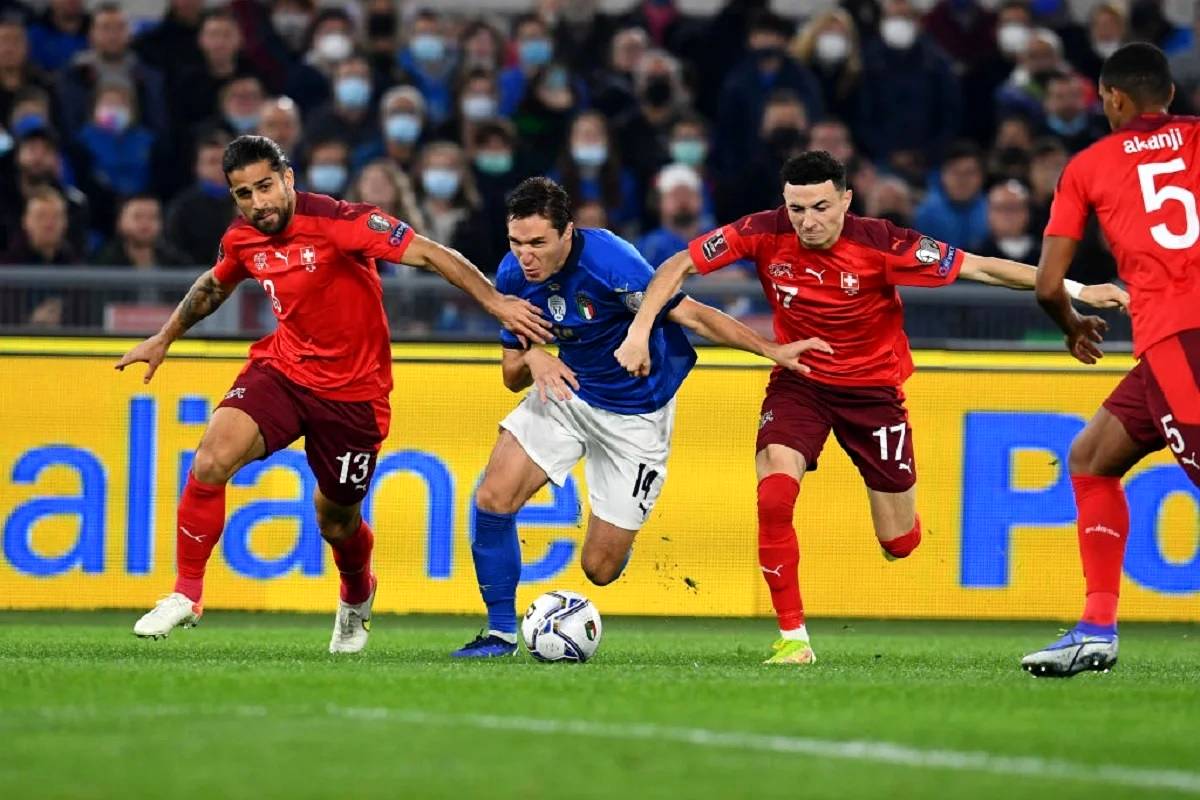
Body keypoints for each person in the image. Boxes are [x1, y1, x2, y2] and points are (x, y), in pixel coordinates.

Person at [615, 151, 1128, 665]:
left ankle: (900, 529)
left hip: (873, 393)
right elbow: (678, 265)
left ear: (846, 200)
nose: (807, 222)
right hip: (801, 378)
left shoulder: (884, 243)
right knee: (774, 493)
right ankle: (793, 638)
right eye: (797, 209)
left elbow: (981, 267)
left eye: (820, 207)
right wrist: (639, 331)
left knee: (899, 542)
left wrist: (1078, 289)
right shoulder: (762, 231)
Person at [118, 135, 550, 653]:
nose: (258, 203)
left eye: (265, 187)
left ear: (288, 178)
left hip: (354, 397)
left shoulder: (342, 222)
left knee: (336, 518)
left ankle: (357, 591)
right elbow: (214, 285)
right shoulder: (242, 238)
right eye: (244, 194)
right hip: (282, 372)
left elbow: (432, 254)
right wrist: (164, 337)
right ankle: (186, 593)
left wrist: (497, 303)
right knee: (211, 459)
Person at [450, 177, 831, 658]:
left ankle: (621, 523)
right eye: (516, 243)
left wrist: (770, 349)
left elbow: (693, 315)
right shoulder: (513, 276)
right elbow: (511, 375)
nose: (526, 256)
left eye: (538, 244)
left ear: (568, 232)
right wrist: (534, 358)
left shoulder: (611, 262)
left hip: (636, 417)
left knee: (600, 569)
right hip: (568, 393)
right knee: (492, 497)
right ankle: (501, 633)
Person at [1023, 44, 1200, 677]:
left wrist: (1072, 326)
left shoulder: (1089, 165)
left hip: (1177, 340)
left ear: (1113, 99)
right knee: (1091, 458)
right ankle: (1096, 629)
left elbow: (1048, 285)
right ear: (1170, 95)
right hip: (1168, 352)